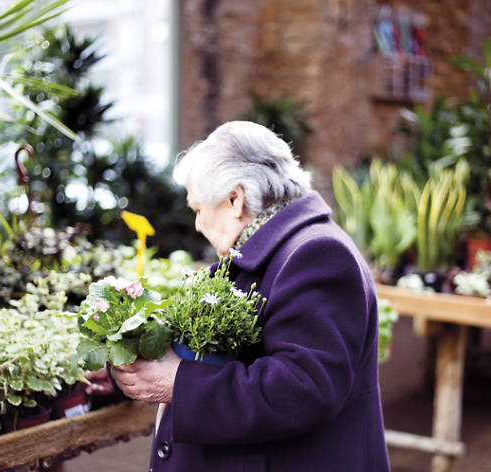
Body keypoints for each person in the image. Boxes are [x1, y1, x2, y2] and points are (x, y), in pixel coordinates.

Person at [85, 121, 390, 471]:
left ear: (235, 199)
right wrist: (128, 372)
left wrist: (177, 384)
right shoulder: (265, 249)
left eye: (198, 208)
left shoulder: (317, 254)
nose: (198, 224)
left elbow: (302, 388)